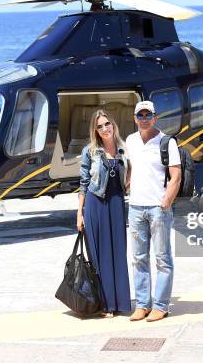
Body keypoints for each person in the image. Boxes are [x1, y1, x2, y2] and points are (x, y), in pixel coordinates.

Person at [125, 101, 181, 322]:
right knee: (138, 258)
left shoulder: (166, 142)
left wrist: (166, 201)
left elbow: (175, 176)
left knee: (162, 259)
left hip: (158, 209)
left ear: (155, 117)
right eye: (140, 115)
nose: (144, 118)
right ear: (135, 118)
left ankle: (160, 305)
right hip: (135, 207)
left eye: (148, 114)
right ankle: (142, 305)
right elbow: (130, 168)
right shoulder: (130, 141)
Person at [77, 110, 131, 317]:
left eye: (107, 124)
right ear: (96, 131)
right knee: (100, 255)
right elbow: (83, 184)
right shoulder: (89, 151)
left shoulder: (124, 148)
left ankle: (120, 303)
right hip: (95, 204)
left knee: (118, 252)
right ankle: (106, 304)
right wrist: (79, 214)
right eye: (99, 126)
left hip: (117, 204)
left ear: (113, 124)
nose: (105, 128)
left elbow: (131, 172)